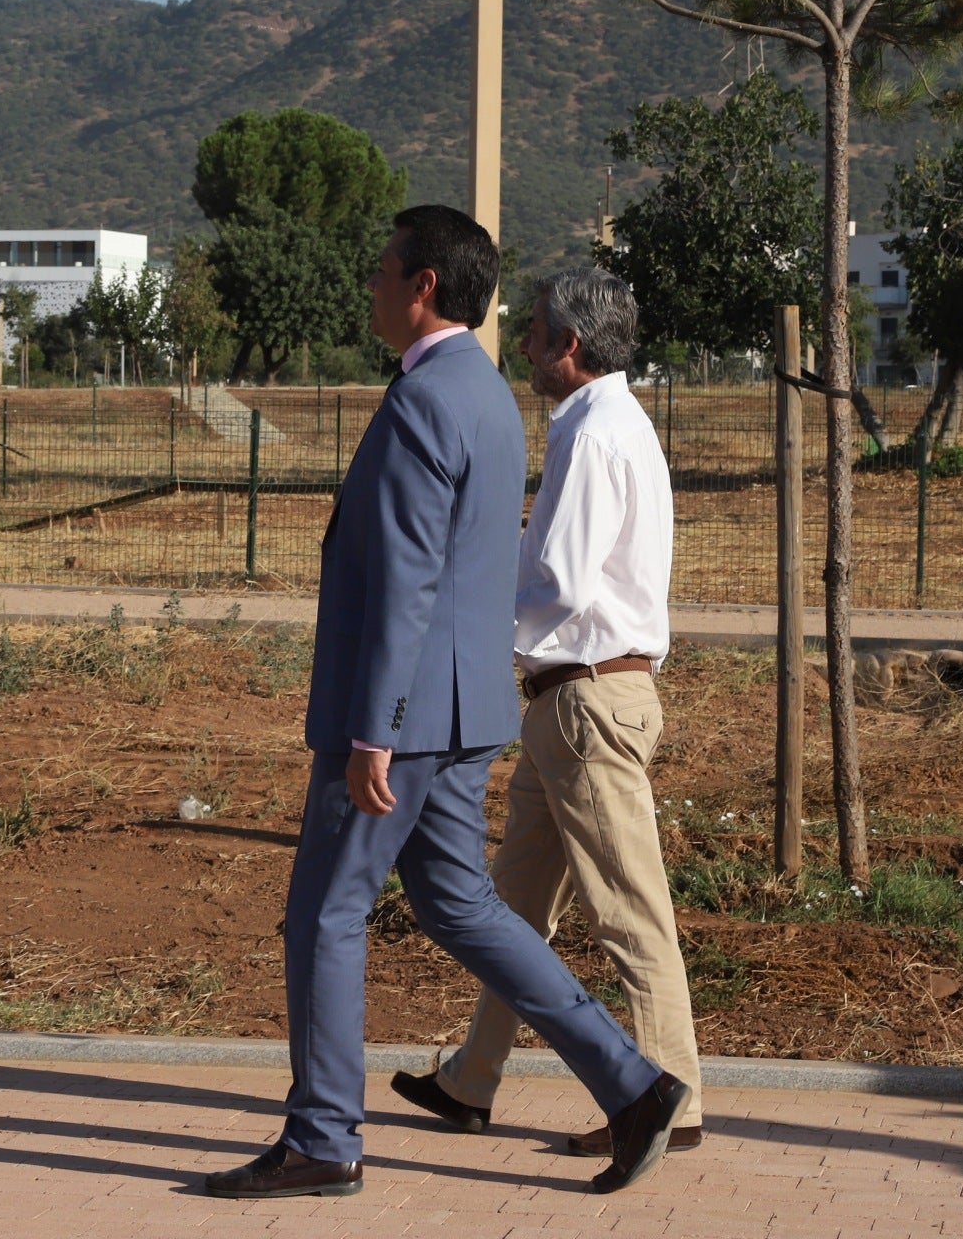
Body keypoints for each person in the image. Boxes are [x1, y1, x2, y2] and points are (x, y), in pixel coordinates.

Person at [204, 208, 689, 1201]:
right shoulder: (485, 397)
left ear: (422, 285)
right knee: (460, 905)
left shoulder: (427, 398)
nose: (370, 285)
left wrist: (371, 727)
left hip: (401, 716)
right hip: (467, 713)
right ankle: (633, 1084)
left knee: (325, 918)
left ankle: (325, 1138)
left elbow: (408, 577)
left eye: (381, 270)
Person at [391, 267, 704, 1156]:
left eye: (532, 333)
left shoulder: (589, 435)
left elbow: (557, 578)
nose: (522, 346)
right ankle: (470, 1081)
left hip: (585, 699)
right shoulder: (622, 423)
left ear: (569, 345)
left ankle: (665, 1097)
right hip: (586, 698)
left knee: (630, 911)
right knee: (516, 908)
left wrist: (469, 618)